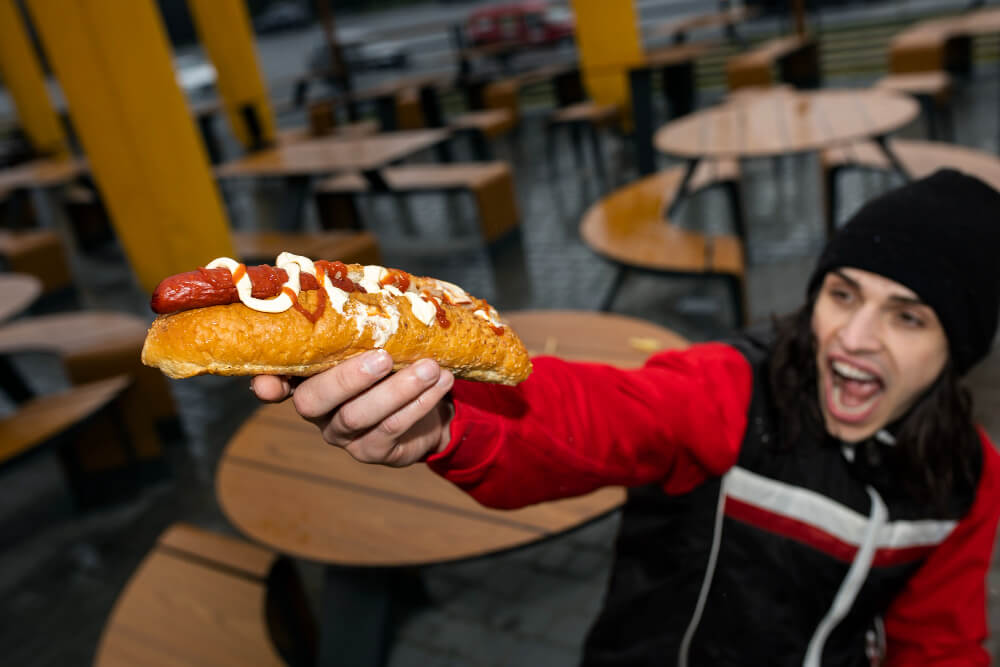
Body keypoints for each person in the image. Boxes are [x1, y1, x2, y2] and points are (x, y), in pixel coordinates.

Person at [252, 169, 1000, 666]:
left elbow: (939, 639)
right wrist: (449, 416)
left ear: (956, 349)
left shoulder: (969, 473)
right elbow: (594, 415)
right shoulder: (736, 390)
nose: (855, 335)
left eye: (907, 317)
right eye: (842, 293)